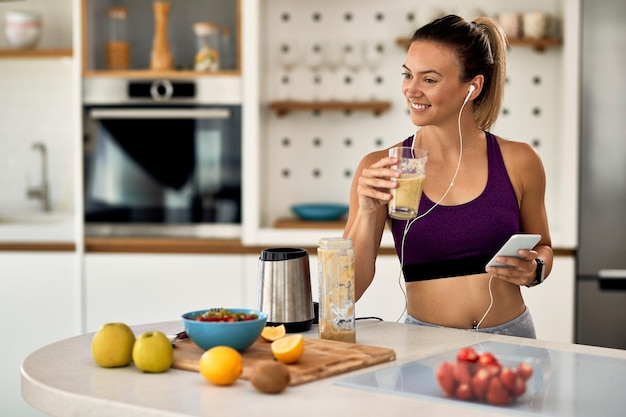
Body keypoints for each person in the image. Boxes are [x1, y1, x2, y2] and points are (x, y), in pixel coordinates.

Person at [343, 15, 553, 338]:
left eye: (429, 80)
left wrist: (535, 268)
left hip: (513, 342)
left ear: (473, 87)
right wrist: (367, 210)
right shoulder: (381, 168)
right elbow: (345, 292)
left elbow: (545, 249)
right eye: (407, 74)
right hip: (424, 346)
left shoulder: (520, 161)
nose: (411, 90)